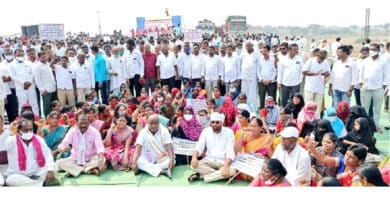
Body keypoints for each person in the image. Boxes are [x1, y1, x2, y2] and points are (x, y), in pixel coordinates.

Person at [1, 120, 55, 186]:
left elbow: (48, 155)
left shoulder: (39, 139)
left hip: (36, 173)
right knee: (10, 180)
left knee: (53, 166)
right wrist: (9, 130)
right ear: (19, 131)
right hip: (18, 174)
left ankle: (33, 184)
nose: (29, 132)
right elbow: (1, 146)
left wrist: (50, 170)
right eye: (25, 130)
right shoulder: (11, 140)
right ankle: (40, 184)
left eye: (30, 130)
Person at [188, 112, 236, 183]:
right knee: (193, 166)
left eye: (217, 122)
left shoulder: (229, 132)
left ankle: (202, 176)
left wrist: (226, 166)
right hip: (208, 160)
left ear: (221, 123)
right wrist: (194, 157)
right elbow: (199, 146)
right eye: (213, 122)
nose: (215, 124)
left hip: (223, 162)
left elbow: (230, 151)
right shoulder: (206, 131)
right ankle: (222, 176)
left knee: (233, 171)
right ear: (210, 123)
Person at [360, 43, 389, 133]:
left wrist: (384, 86)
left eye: (374, 49)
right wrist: (361, 84)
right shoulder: (365, 61)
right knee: (364, 108)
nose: (372, 51)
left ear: (378, 50)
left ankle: (376, 125)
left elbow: (387, 74)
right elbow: (361, 73)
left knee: (376, 109)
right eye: (370, 49)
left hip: (378, 88)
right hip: (366, 87)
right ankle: (364, 126)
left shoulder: (383, 61)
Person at [9, 48, 39, 114]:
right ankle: (21, 121)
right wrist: (23, 83)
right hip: (20, 88)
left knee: (34, 104)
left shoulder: (29, 63)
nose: (20, 53)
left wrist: (29, 82)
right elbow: (13, 76)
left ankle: (37, 119)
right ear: (15, 54)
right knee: (22, 105)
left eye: (21, 51)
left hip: (30, 86)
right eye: (18, 51)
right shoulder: (11, 64)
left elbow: (32, 73)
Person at [302, 50, 330, 117]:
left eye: (324, 58)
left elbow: (328, 72)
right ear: (318, 55)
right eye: (321, 58)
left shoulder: (325, 63)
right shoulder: (310, 61)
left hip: (320, 88)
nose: (322, 60)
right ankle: (307, 119)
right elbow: (304, 72)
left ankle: (316, 121)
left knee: (318, 106)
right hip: (310, 87)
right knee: (308, 105)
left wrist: (324, 73)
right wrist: (315, 73)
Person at [32, 51, 57, 117]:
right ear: (39, 58)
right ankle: (47, 120)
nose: (44, 58)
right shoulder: (37, 67)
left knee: (54, 106)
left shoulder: (47, 64)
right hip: (46, 90)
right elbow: (37, 80)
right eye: (42, 57)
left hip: (53, 88)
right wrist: (42, 90)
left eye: (45, 57)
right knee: (47, 107)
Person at [240, 42, 261, 109]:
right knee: (244, 93)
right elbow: (239, 64)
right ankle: (243, 107)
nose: (248, 47)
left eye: (249, 46)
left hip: (253, 77)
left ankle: (252, 108)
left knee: (252, 94)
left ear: (252, 46)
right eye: (247, 46)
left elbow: (259, 66)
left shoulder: (257, 54)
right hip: (244, 76)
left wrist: (258, 76)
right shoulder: (243, 53)